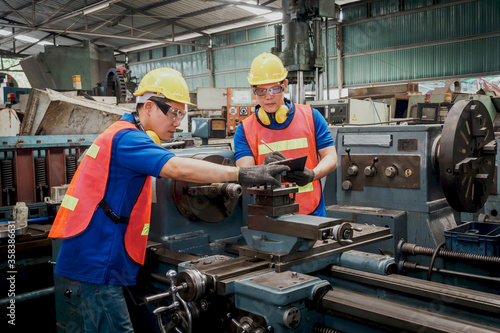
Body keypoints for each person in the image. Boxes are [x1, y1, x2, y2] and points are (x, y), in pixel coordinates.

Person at [48, 68, 289, 333]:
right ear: (149, 107)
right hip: (98, 254)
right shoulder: (128, 139)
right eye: (173, 113)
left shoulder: (125, 133)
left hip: (103, 249)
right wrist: (242, 173)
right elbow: (177, 169)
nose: (177, 121)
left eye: (181, 114)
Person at [234, 52, 338, 216]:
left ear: (285, 85)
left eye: (275, 88)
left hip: (312, 214)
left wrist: (312, 174)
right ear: (253, 90)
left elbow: (331, 158)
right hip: (268, 216)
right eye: (262, 90)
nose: (269, 96)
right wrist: (263, 169)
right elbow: (244, 172)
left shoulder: (311, 117)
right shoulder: (245, 130)